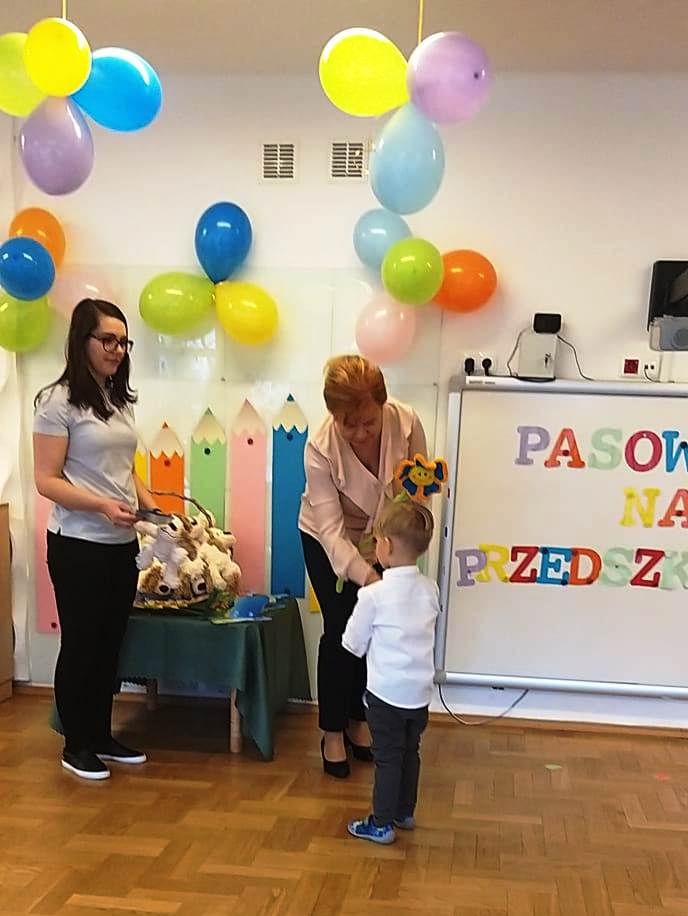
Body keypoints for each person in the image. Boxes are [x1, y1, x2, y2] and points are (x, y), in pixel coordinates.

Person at [33, 298, 158, 781]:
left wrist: (149, 505)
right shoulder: (56, 402)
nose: (117, 350)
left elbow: (124, 469)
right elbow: (47, 480)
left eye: (124, 342)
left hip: (121, 545)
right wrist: (102, 505)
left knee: (109, 644)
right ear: (81, 340)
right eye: (108, 340)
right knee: (82, 644)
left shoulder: (116, 399)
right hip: (78, 543)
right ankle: (76, 743)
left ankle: (102, 734)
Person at [299, 355, 427, 777]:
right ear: (333, 415)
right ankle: (332, 731)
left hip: (387, 539)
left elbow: (418, 496)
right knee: (342, 629)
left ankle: (358, 720)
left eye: (368, 422)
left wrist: (398, 557)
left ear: (383, 404)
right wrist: (370, 579)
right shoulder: (319, 447)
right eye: (347, 424)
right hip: (328, 540)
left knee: (375, 632)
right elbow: (331, 531)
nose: (359, 433)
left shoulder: (407, 424)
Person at [343, 499, 439, 844]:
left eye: (377, 540)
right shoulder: (430, 589)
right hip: (419, 695)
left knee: (387, 759)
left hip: (385, 696)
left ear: (387, 546)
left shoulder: (373, 595)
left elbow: (352, 644)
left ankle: (381, 823)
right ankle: (404, 812)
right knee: (410, 752)